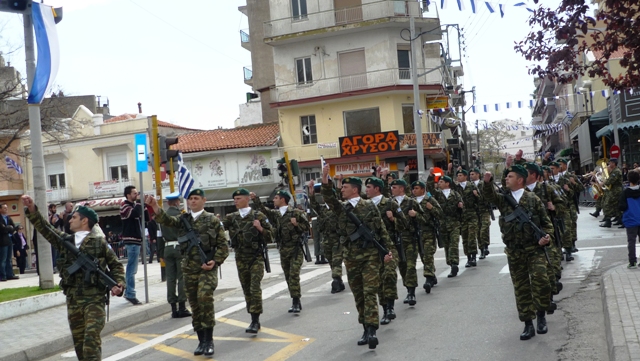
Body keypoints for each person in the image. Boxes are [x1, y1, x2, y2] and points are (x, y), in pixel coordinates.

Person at [21, 195, 125, 360]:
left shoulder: (99, 242)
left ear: (84, 221)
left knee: (91, 341)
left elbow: (116, 265)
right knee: (80, 346)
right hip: (74, 301)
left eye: (74, 217)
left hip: (94, 300)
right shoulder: (65, 242)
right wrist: (32, 209)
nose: (69, 220)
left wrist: (119, 283)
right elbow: (45, 228)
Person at [146, 189, 228, 356]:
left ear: (204, 200)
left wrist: (215, 261)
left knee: (205, 298)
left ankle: (209, 340)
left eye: (196, 198)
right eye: (190, 199)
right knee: (195, 305)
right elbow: (166, 220)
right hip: (189, 269)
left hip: (207, 268)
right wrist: (155, 206)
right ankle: (201, 341)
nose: (192, 201)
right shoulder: (183, 220)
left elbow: (223, 246)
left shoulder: (212, 220)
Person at [321, 164, 392, 349]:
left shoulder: (369, 205)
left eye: (345, 187)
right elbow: (329, 198)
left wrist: (387, 250)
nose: (342, 190)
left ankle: (372, 330)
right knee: (359, 295)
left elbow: (380, 229)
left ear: (354, 189)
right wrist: (325, 180)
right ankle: (364, 327)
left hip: (369, 256)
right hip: (351, 257)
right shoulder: (341, 208)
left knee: (369, 292)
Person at [482, 165, 555, 340]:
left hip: (534, 249)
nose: (506, 179)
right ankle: (528, 324)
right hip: (515, 251)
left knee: (541, 280)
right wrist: (487, 182)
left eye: (510, 176)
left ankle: (541, 315)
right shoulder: (503, 199)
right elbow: (489, 195)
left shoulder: (533, 199)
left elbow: (547, 224)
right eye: (506, 177)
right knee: (521, 287)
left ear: (520, 180)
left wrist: (547, 237)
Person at [222, 188, 273, 334]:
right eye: (234, 199)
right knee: (246, 290)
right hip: (240, 258)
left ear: (247, 199)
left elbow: (271, 236)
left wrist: (260, 228)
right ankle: (252, 317)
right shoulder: (231, 217)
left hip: (256, 257)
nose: (235, 201)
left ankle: (255, 320)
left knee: (254, 287)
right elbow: (217, 230)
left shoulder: (258, 215)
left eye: (238, 199)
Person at [251, 190, 309, 313]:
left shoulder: (296, 213)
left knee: (293, 274)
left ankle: (296, 301)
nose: (274, 200)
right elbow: (264, 210)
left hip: (295, 249)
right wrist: (255, 198)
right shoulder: (276, 214)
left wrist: (296, 224)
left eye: (276, 198)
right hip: (283, 249)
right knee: (288, 276)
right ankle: (294, 299)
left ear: (283, 199)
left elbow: (307, 227)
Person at [364, 176, 404, 324]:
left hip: (389, 245)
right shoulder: (364, 205)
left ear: (377, 189)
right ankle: (385, 306)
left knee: (389, 275)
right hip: (372, 248)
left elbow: (405, 224)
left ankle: (390, 308)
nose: (366, 190)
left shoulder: (390, 203)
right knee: (379, 279)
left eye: (369, 187)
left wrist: (394, 219)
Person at [388, 178, 423, 305]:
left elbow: (423, 219)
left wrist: (416, 215)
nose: (392, 190)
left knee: (410, 266)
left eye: (394, 187)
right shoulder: (389, 203)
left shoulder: (411, 202)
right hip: (396, 240)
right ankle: (408, 288)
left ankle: (411, 293)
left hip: (410, 239)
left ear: (401, 189)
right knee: (402, 267)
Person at [157, 192, 191, 318]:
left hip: (167, 248)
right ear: (177, 202)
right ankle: (182, 307)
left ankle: (173, 308)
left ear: (168, 203)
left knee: (170, 279)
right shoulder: (181, 215)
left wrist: (160, 252)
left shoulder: (162, 217)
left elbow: (159, 236)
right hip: (179, 248)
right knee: (181, 277)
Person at [407, 179, 443, 293]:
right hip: (415, 234)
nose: (414, 190)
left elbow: (440, 214)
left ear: (423, 189)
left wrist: (431, 208)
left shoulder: (430, 200)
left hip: (428, 232)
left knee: (427, 255)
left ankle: (428, 278)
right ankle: (432, 275)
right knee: (422, 257)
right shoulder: (410, 202)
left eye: (417, 188)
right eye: (413, 189)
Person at [309, 181, 345, 293]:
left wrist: (339, 183)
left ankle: (336, 281)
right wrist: (311, 194)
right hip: (326, 240)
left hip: (337, 239)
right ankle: (339, 280)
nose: (324, 198)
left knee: (337, 260)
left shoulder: (338, 208)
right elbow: (314, 205)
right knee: (331, 261)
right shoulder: (323, 209)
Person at [426, 170, 463, 277]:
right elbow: (430, 188)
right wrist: (430, 176)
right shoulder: (437, 194)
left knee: (454, 244)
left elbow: (461, 207)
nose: (439, 183)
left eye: (441, 182)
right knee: (447, 245)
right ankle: (451, 263)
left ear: (447, 183)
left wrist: (461, 206)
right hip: (442, 224)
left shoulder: (455, 194)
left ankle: (455, 263)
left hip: (454, 223)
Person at [120, 185, 146, 305]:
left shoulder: (135, 206)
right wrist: (140, 202)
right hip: (131, 240)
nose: (136, 195)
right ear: (128, 195)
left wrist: (145, 205)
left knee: (133, 268)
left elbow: (146, 218)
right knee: (131, 269)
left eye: (137, 193)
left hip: (137, 240)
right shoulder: (125, 206)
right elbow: (134, 214)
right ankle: (130, 293)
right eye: (134, 193)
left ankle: (129, 292)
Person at [451, 169, 480, 268]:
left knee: (472, 236)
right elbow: (450, 183)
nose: (458, 177)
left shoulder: (471, 185)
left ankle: (473, 257)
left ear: (465, 176)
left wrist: (477, 195)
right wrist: (450, 170)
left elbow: (480, 199)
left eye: (460, 175)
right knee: (465, 238)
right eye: (457, 175)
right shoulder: (456, 187)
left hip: (472, 215)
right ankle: (468, 258)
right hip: (461, 216)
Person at [619, 170, 640, 268]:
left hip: (631, 220)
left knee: (631, 242)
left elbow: (622, 207)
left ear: (628, 179)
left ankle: (632, 262)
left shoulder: (625, 192)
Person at [470, 168, 492, 259]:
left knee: (484, 228)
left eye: (473, 174)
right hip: (474, 212)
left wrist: (477, 195)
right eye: (470, 174)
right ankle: (482, 249)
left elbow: (487, 198)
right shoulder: (469, 185)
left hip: (484, 210)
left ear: (478, 175)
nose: (471, 176)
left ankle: (486, 245)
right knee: (478, 232)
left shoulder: (483, 184)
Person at [601, 158, 625, 228]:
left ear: (614, 163)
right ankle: (620, 219)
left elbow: (611, 180)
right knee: (617, 206)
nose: (609, 164)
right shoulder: (614, 171)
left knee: (607, 204)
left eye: (610, 163)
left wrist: (603, 183)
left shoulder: (616, 171)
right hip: (614, 190)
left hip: (616, 191)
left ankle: (608, 221)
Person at [0, 203, 17, 281]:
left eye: (7, 208)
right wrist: (8, 228)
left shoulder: (8, 218)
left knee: (9, 259)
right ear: (0, 209)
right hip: (2, 241)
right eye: (4, 208)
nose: (6, 209)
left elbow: (13, 227)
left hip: (9, 240)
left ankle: (10, 274)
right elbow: (2, 229)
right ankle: (3, 275)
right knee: (3, 259)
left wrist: (8, 228)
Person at [48, 204, 62, 272]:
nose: (55, 209)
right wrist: (52, 222)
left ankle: (58, 266)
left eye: (55, 208)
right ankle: (53, 266)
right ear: (50, 209)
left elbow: (60, 225)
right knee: (54, 253)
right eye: (53, 208)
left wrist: (61, 219)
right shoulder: (48, 216)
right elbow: (53, 226)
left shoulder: (57, 216)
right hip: (52, 237)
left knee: (58, 252)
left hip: (58, 236)